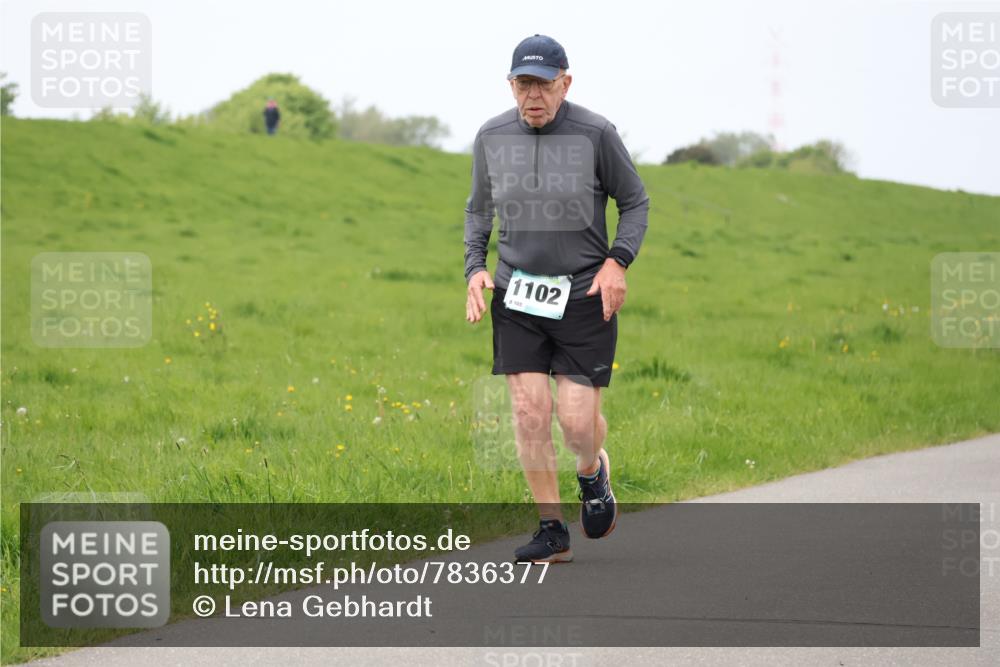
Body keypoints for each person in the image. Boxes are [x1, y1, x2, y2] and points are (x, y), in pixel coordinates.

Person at [464, 35, 650, 562]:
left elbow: (635, 201)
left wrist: (619, 261)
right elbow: (478, 209)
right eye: (524, 84)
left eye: (544, 84)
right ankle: (552, 530)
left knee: (575, 422)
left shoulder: (596, 134)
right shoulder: (492, 136)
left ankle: (592, 472)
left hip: (584, 295)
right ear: (511, 85)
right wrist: (475, 268)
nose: (534, 95)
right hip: (519, 293)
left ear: (565, 82)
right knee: (528, 410)